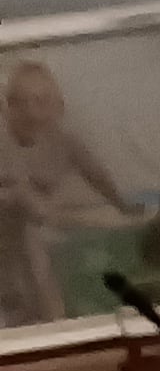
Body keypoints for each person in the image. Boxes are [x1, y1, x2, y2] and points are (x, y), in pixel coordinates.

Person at [0, 64, 134, 325]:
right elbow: (22, 196)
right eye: (20, 103)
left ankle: (53, 323)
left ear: (58, 106)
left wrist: (121, 204)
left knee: (39, 255)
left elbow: (96, 173)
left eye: (41, 102)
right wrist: (17, 196)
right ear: (7, 108)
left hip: (32, 235)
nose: (31, 112)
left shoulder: (64, 142)